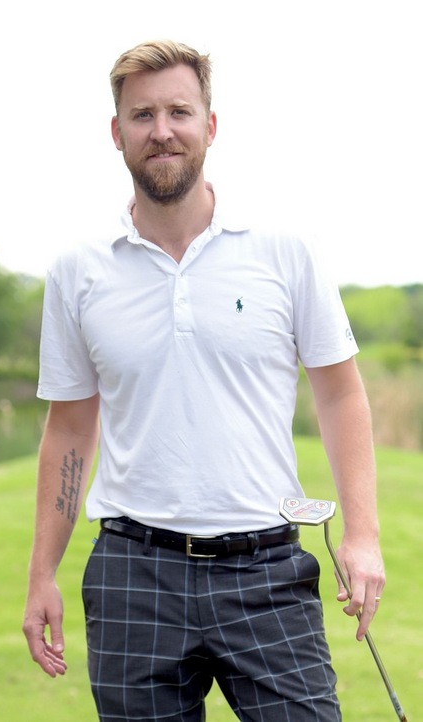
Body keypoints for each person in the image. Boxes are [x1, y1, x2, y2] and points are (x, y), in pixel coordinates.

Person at [23, 39, 385, 722]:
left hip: (268, 570)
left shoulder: (284, 250)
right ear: (117, 132)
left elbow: (340, 392)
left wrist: (362, 536)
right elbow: (69, 427)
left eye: (179, 112)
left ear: (209, 126)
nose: (161, 131)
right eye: (142, 115)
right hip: (133, 573)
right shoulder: (78, 270)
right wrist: (42, 573)